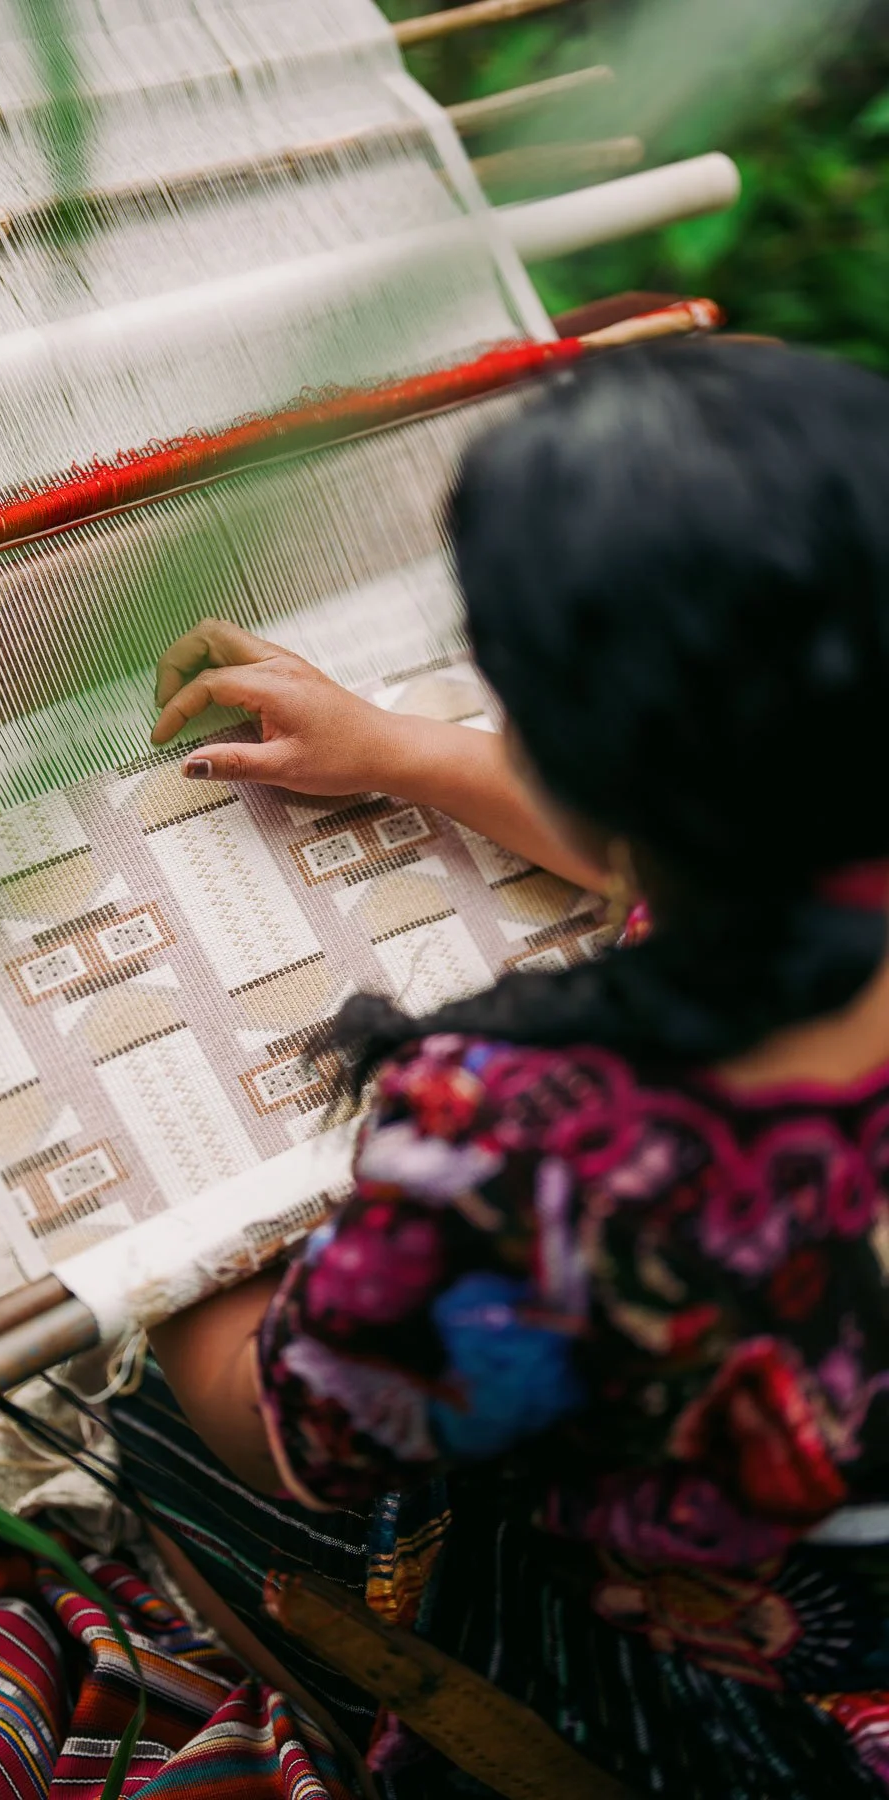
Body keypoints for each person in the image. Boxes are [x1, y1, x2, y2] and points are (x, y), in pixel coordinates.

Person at [114, 339, 889, 1800]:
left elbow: (313, 1436)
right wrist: (401, 749)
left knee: (155, 1434)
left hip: (723, 1714)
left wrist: (160, 1256)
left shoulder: (528, 1145)